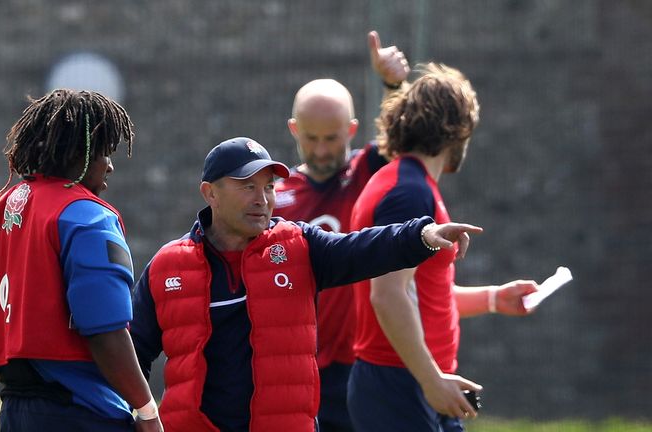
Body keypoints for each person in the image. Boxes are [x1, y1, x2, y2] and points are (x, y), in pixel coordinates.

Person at [130, 136, 483, 432]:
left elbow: (363, 248)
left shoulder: (300, 246)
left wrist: (424, 234)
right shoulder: (167, 266)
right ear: (210, 193)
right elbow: (133, 353)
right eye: (247, 186)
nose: (262, 198)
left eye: (269, 187)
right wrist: (142, 414)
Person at [347, 62, 539, 432]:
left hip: (413, 382)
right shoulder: (408, 192)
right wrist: (431, 379)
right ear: (459, 129)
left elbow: (422, 294)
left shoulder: (412, 184)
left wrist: (494, 298)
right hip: (400, 385)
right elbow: (387, 296)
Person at [0, 89, 163, 432]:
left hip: (13, 412)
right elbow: (105, 330)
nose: (110, 167)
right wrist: (147, 409)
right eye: (106, 153)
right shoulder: (88, 217)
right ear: (82, 154)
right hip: (82, 412)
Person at [273, 30, 409, 432]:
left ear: (351, 131)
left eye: (331, 139)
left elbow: (400, 141)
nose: (319, 150)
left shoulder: (367, 174)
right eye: (310, 139)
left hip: (359, 365)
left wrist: (394, 85)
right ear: (294, 130)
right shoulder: (274, 198)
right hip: (296, 367)